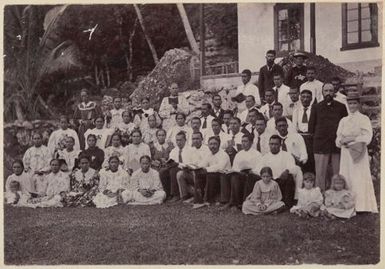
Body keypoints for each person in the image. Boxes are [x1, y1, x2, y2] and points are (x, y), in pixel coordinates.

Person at [335, 92, 378, 213]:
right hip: (346, 154)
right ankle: (348, 205)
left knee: (359, 177)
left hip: (358, 153)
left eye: (354, 103)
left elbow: (367, 137)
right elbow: (337, 139)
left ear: (358, 104)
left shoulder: (364, 119)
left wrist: (353, 139)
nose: (352, 106)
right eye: (350, 103)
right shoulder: (343, 120)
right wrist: (341, 141)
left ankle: (361, 206)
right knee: (347, 176)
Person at [308, 83, 348, 192]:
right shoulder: (316, 107)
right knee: (320, 174)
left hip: (336, 145)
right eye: (326, 91)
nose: (328, 93)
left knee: (337, 172)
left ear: (334, 92)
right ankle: (320, 197)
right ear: (322, 92)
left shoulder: (341, 107)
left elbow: (345, 126)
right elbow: (311, 128)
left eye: (331, 91)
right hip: (321, 144)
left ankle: (338, 196)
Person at [222, 134, 262, 211]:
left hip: (252, 175)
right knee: (232, 176)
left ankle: (244, 203)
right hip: (240, 174)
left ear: (251, 142)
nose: (243, 143)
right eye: (242, 141)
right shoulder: (239, 154)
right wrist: (235, 171)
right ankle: (232, 203)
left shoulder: (257, 154)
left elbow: (259, 168)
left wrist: (251, 171)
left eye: (245, 141)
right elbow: (235, 167)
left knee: (249, 177)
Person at [258, 135, 296, 208]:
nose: (273, 146)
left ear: (280, 145)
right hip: (269, 182)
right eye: (271, 144)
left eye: (276, 144)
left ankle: (287, 204)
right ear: (269, 145)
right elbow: (259, 170)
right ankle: (252, 201)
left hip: (282, 181)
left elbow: (293, 167)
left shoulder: (287, 155)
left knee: (290, 177)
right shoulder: (265, 157)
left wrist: (287, 170)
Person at [176, 132, 210, 204]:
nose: (195, 141)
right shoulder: (190, 150)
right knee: (180, 174)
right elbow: (187, 162)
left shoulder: (207, 149)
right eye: (193, 139)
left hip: (203, 173)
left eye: (197, 138)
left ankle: (198, 196)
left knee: (196, 173)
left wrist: (196, 167)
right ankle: (184, 196)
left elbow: (206, 163)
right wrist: (186, 166)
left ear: (202, 139)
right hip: (192, 171)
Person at [198, 136, 231, 206]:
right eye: (211, 144)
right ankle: (198, 198)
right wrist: (198, 168)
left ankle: (208, 199)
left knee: (210, 175)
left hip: (225, 177)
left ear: (219, 144)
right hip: (215, 176)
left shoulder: (224, 155)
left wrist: (206, 169)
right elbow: (203, 164)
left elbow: (220, 167)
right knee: (199, 174)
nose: (212, 146)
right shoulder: (208, 154)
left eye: (215, 144)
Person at [163, 131, 192, 201]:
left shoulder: (190, 150)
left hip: (186, 170)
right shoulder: (174, 151)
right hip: (175, 168)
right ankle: (167, 194)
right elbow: (171, 161)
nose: (178, 142)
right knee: (162, 171)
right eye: (177, 140)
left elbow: (189, 164)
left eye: (180, 140)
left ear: (185, 140)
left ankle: (176, 194)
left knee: (174, 170)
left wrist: (178, 164)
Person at [292, 89, 315, 172]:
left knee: (311, 160)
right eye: (303, 97)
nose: (305, 99)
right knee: (301, 160)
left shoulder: (314, 110)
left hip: (311, 138)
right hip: (300, 138)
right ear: (300, 98)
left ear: (311, 98)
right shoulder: (296, 111)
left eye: (308, 97)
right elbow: (294, 127)